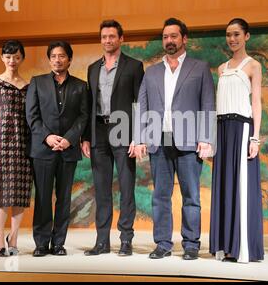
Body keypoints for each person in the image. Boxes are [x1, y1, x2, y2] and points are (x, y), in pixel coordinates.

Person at [134, 18, 215, 260]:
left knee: (191, 196)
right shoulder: (152, 72)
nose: (169, 41)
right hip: (159, 141)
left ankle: (191, 244)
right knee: (160, 196)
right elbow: (143, 106)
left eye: (174, 36)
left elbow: (208, 104)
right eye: (165, 37)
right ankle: (162, 244)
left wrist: (206, 137)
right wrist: (140, 138)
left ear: (184, 39)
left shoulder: (199, 67)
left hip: (190, 141)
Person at [81, 20, 144, 256]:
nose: (107, 40)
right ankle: (102, 241)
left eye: (111, 36)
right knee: (101, 190)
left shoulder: (134, 66)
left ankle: (126, 240)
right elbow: (89, 105)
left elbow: (140, 104)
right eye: (104, 37)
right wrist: (86, 137)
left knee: (126, 188)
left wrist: (138, 137)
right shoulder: (92, 68)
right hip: (99, 131)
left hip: (124, 131)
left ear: (121, 39)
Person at [26, 41, 88, 257]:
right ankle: (41, 243)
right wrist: (47, 137)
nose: (57, 60)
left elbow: (83, 116)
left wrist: (70, 139)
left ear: (69, 59)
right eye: (53, 56)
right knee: (43, 197)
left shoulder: (81, 86)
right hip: (43, 150)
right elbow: (31, 116)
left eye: (61, 56)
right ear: (49, 59)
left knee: (63, 199)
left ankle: (58, 243)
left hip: (68, 150)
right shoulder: (37, 83)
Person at [209, 18, 264, 263]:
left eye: (237, 34)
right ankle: (224, 246)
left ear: (246, 36)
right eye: (229, 34)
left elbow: (256, 103)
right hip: (222, 129)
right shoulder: (221, 68)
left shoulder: (253, 66)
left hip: (242, 128)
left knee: (241, 185)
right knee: (224, 184)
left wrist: (255, 137)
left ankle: (242, 248)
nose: (232, 39)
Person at [0, 39, 33, 257]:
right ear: (2, 58)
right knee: (4, 190)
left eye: (17, 57)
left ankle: (14, 237)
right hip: (4, 137)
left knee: (21, 190)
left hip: (25, 138)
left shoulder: (29, 85)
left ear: (22, 58)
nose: (12, 60)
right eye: (8, 56)